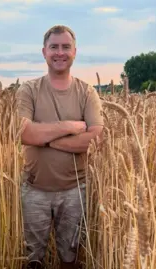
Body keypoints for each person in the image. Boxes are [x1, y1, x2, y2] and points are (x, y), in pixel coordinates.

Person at [15, 25, 104, 269]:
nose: (60, 52)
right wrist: (70, 126)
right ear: (44, 52)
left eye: (66, 47)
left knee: (71, 258)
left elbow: (97, 138)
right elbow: (22, 132)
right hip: (34, 189)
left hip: (75, 189)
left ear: (75, 51)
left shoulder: (87, 92)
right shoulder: (29, 90)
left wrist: (47, 138)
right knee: (32, 259)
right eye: (54, 47)